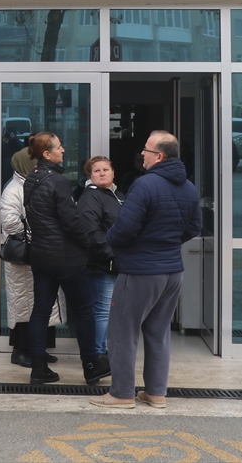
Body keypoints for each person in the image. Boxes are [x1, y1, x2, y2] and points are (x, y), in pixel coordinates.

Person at [91, 131, 201, 410]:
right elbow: (193, 228)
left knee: (122, 331)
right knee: (158, 333)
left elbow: (124, 229)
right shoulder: (189, 187)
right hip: (172, 271)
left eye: (147, 150)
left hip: (140, 270)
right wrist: (167, 242)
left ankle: (122, 394)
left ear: (159, 156)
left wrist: (111, 239)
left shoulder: (144, 184)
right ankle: (155, 393)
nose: (142, 153)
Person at [23, 132, 108, 386]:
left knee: (40, 311)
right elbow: (71, 222)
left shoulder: (31, 178)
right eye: (58, 147)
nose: (63, 150)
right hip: (66, 257)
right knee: (84, 311)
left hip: (41, 255)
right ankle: (91, 366)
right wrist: (86, 243)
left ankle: (38, 368)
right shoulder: (58, 181)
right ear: (46, 154)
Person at [0, 146, 62, 368]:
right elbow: (9, 222)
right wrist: (37, 233)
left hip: (40, 252)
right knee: (24, 303)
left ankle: (39, 348)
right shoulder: (14, 189)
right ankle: (21, 350)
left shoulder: (37, 183)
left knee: (41, 303)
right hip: (25, 255)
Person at [77, 155, 124, 357]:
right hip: (101, 265)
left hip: (118, 264)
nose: (102, 173)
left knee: (111, 311)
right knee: (102, 311)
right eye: (97, 170)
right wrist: (113, 255)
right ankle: (97, 355)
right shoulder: (90, 198)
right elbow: (92, 234)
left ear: (113, 172)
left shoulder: (118, 196)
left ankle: (105, 352)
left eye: (106, 169)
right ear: (90, 175)